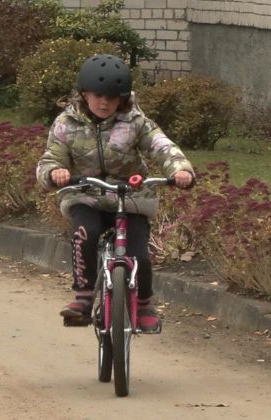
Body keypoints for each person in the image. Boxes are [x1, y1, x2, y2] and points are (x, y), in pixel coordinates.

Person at [36, 54, 194, 333]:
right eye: (98, 96)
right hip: (86, 195)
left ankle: (143, 305)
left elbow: (162, 146)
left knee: (139, 254)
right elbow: (51, 158)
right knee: (84, 233)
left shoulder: (135, 122)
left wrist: (180, 169)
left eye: (112, 97)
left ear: (122, 99)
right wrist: (54, 172)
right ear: (84, 94)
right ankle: (83, 298)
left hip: (130, 197)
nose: (104, 103)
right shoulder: (66, 124)